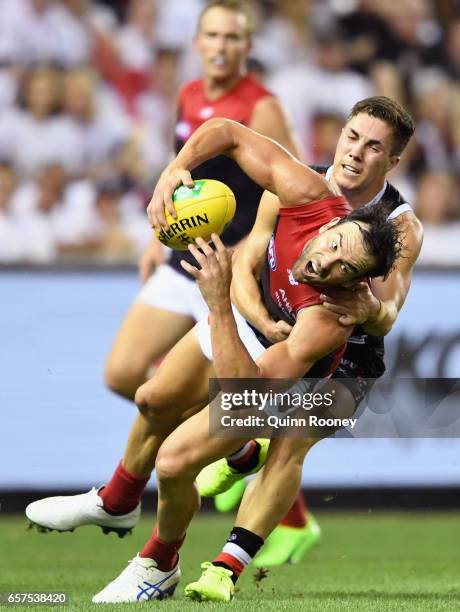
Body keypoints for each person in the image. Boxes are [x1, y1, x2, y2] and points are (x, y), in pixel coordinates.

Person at [81, 112, 402, 602]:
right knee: (152, 400)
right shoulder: (304, 189)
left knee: (274, 443)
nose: (357, 151)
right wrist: (174, 169)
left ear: (393, 161)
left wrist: (371, 309)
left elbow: (247, 393)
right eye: (353, 136)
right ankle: (233, 455)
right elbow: (229, 137)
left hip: (337, 359)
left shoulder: (396, 237)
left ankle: (215, 566)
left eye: (374, 146)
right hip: (265, 327)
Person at [102, 0, 315, 557]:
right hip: (186, 255)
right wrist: (159, 236)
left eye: (232, 37)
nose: (221, 45)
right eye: (212, 35)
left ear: (247, 47)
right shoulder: (190, 93)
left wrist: (251, 254)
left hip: (233, 267)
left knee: (226, 395)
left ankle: (283, 513)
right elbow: (184, 175)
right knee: (124, 371)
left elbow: (289, 191)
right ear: (197, 41)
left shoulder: (262, 108)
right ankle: (243, 453)